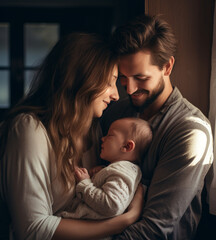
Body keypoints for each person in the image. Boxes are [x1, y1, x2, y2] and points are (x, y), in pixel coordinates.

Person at [0, 32, 144, 240]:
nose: (115, 95)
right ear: (83, 80)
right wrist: (122, 221)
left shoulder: (94, 132)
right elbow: (33, 229)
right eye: (110, 82)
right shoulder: (28, 129)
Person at [100, 14, 214, 240]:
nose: (130, 89)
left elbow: (155, 229)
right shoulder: (114, 112)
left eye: (140, 77)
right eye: (123, 77)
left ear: (167, 66)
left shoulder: (190, 132)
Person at [60, 117, 152, 220]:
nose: (102, 138)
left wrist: (85, 184)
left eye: (110, 135)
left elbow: (112, 205)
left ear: (127, 146)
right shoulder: (124, 171)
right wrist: (102, 173)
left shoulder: (120, 172)